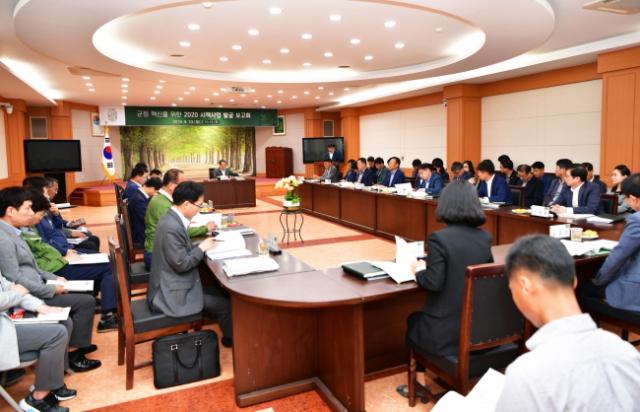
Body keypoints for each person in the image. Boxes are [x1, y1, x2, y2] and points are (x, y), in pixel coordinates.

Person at [495, 235, 640, 411]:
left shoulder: (527, 374)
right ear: (575, 281)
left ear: (525, 286)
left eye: (512, 289)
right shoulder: (627, 353)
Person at [397, 180, 492, 399]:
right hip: (476, 329)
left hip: (444, 334)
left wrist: (419, 270)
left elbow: (433, 282)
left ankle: (419, 383)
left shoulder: (439, 238)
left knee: (414, 319)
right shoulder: (485, 237)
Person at [0, 187, 101, 372]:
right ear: (10, 211)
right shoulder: (3, 238)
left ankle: (76, 347)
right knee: (85, 302)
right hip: (30, 295)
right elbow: (14, 277)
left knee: (84, 298)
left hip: (37, 287)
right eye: (27, 208)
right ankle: (74, 354)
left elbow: (34, 266)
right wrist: (51, 289)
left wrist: (55, 278)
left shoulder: (13, 232)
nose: (31, 213)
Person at [148, 181, 233, 347]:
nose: (199, 210)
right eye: (199, 205)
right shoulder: (171, 226)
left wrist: (200, 247)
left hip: (173, 280)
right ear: (186, 204)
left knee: (220, 290)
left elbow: (180, 251)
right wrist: (202, 247)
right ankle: (231, 340)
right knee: (225, 304)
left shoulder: (172, 217)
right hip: (171, 292)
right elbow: (182, 264)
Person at [23, 192, 117, 332]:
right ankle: (108, 317)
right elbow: (43, 249)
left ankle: (100, 301)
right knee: (109, 266)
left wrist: (56, 216)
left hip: (58, 260)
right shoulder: (23, 229)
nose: (30, 213)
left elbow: (55, 232)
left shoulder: (28, 225)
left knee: (104, 259)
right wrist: (64, 254)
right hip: (55, 267)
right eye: (26, 209)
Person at [1, 273, 76, 412]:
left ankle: (52, 384)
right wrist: (16, 293)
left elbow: (13, 288)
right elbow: (16, 292)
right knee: (57, 334)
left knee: (63, 322)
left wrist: (41, 307)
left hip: (5, 322)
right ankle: (37, 399)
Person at [583, 173, 640, 312]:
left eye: (626, 198)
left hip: (635, 291)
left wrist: (598, 280)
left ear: (634, 198)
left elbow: (619, 255)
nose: (627, 202)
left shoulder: (637, 219)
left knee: (581, 287)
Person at [144, 169, 215, 270]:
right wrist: (205, 229)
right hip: (156, 256)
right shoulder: (161, 203)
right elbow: (178, 230)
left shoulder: (163, 199)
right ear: (171, 185)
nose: (185, 188)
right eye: (182, 184)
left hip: (162, 251)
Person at [25, 177, 99, 252]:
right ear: (37, 194)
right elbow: (46, 242)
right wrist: (67, 249)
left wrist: (56, 214)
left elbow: (58, 226)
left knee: (93, 239)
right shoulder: (36, 216)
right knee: (91, 245)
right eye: (46, 193)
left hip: (62, 245)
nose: (48, 196)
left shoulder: (47, 206)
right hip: (61, 249)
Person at [128, 177, 162, 247]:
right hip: (141, 237)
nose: (156, 194)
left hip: (142, 232)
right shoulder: (139, 200)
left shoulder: (139, 196)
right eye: (157, 192)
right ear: (152, 188)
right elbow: (147, 220)